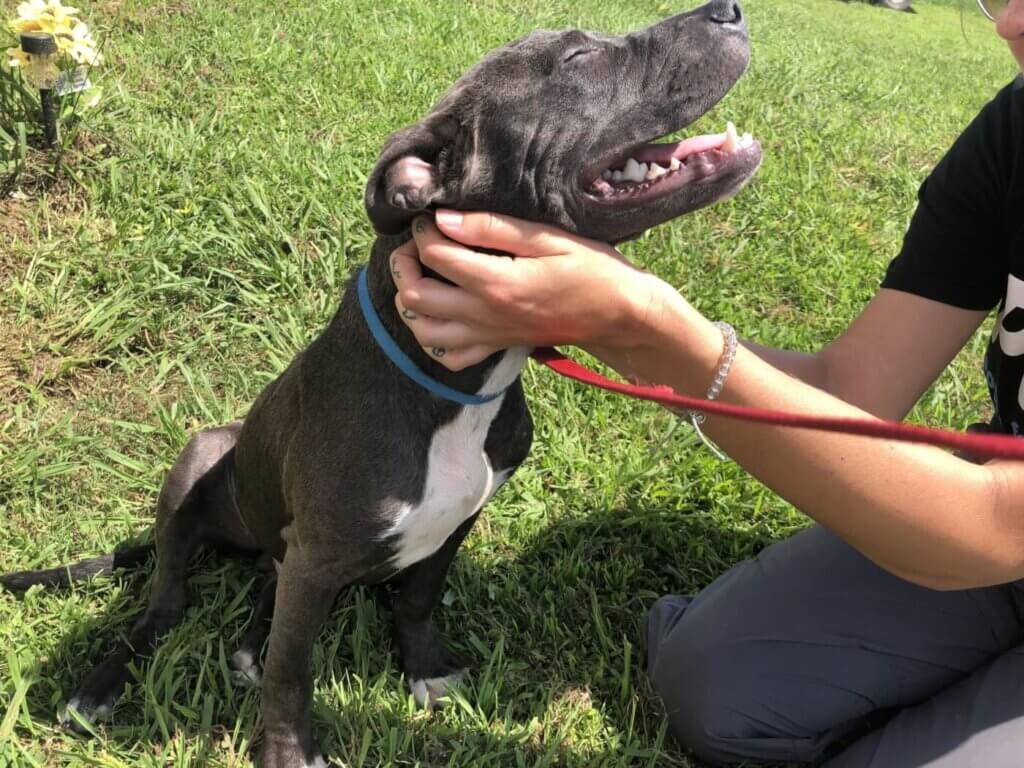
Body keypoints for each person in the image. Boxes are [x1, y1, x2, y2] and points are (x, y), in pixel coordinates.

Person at [388, 0, 1024, 764]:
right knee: (713, 688)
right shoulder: (1014, 133)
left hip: (994, 530)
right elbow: (852, 390)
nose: (1008, 24)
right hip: (998, 548)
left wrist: (643, 328)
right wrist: (612, 314)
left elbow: (993, 528)